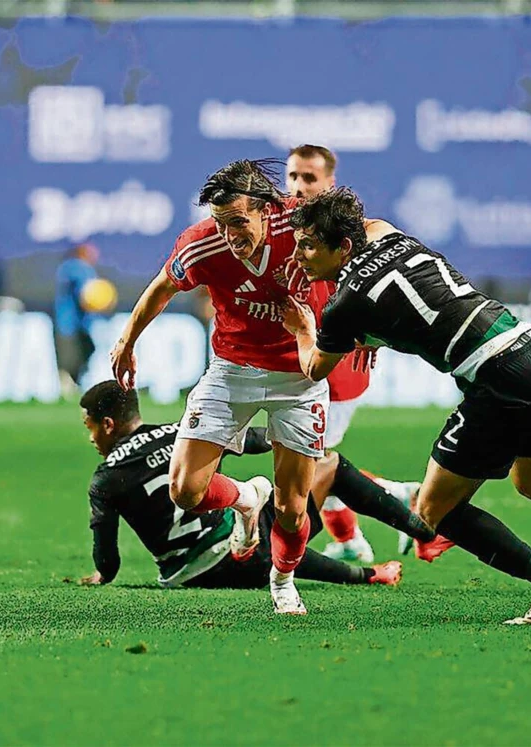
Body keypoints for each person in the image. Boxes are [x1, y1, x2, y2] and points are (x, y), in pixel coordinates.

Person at [282, 187, 531, 625]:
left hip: (498, 376)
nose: (299, 255)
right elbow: (400, 292)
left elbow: (315, 368)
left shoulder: (343, 305)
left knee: (433, 512)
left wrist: (303, 327)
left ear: (341, 246)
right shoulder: (384, 233)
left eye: (308, 245)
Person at [110, 160, 436, 615]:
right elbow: (164, 286)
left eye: (239, 222)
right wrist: (126, 342)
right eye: (221, 223)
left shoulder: (300, 222)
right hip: (231, 370)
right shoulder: (201, 244)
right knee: (184, 490)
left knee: (292, 507)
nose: (229, 235)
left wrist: (371, 326)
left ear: (266, 210)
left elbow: (365, 238)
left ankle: (282, 582)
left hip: (299, 378)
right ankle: (247, 497)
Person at [76, 381, 402, 589]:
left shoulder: (105, 478)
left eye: (89, 428)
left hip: (186, 577)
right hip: (242, 557)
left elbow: (108, 561)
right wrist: (290, 448)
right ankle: (413, 527)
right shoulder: (185, 434)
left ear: (107, 425)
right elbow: (257, 439)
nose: (91, 438)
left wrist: (102, 575)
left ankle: (370, 566)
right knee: (326, 464)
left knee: (265, 529)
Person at [286, 144, 424, 562]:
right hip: (308, 353)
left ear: (330, 183)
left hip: (341, 359)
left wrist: (373, 335)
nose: (298, 185)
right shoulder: (287, 225)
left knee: (314, 464)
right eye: (293, 176)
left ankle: (400, 498)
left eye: (309, 178)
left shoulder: (353, 234)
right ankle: (349, 540)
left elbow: (387, 288)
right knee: (310, 459)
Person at [55, 243, 101, 397]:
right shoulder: (77, 268)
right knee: (72, 356)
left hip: (78, 323)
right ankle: (66, 384)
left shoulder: (68, 268)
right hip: (69, 323)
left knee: (87, 350)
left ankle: (73, 382)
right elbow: (86, 295)